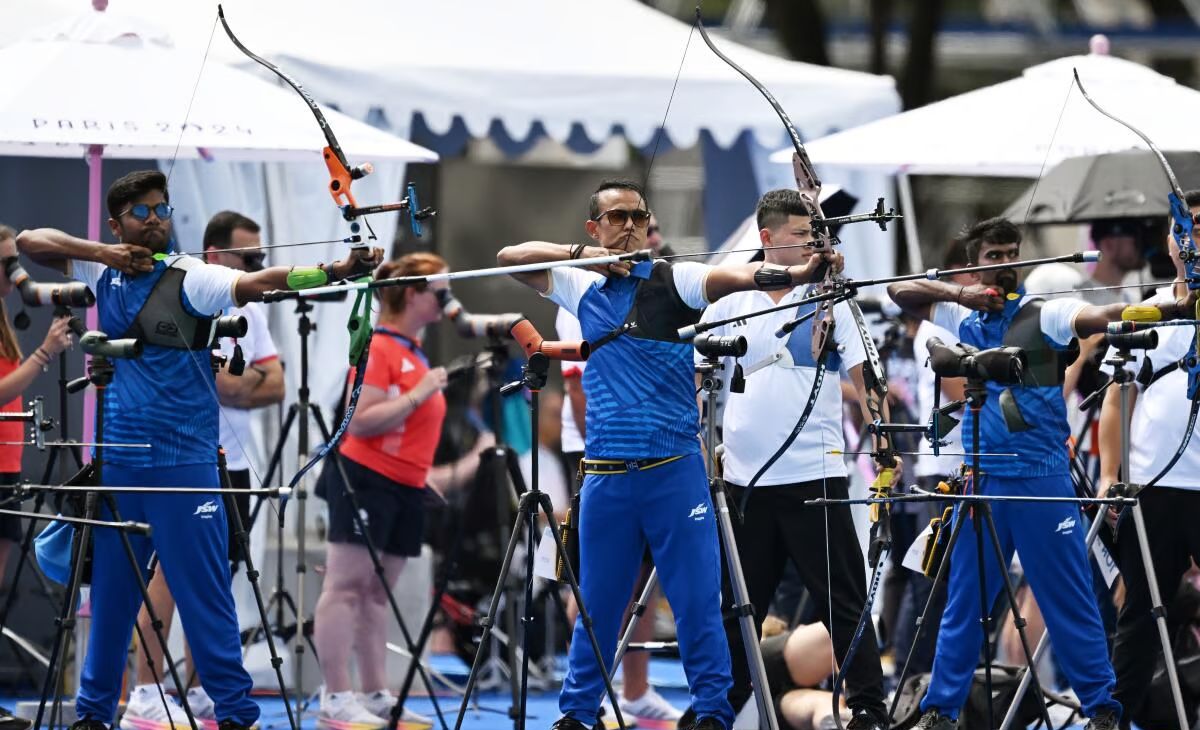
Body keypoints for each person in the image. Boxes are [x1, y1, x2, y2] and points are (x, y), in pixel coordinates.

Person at [16, 169, 382, 730]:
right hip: (119, 466)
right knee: (111, 600)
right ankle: (94, 715)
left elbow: (265, 283)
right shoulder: (102, 269)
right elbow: (28, 242)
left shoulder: (192, 276)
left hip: (184, 467)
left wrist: (336, 269)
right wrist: (106, 254)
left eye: (163, 208)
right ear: (118, 224)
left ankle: (237, 715)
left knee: (204, 598)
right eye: (143, 212)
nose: (158, 219)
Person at [497, 179, 839, 730]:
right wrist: (586, 257)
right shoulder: (578, 286)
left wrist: (799, 274)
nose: (630, 225)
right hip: (608, 476)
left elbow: (737, 276)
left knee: (697, 603)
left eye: (638, 216)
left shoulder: (674, 278)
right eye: (617, 217)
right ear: (596, 228)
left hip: (673, 474)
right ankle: (577, 715)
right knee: (599, 608)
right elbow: (509, 258)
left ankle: (710, 713)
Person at [886, 216, 1195, 730]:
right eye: (993, 257)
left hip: (1042, 480)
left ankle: (1101, 709)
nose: (1006, 265)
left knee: (1068, 599)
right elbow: (901, 292)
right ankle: (941, 709)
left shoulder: (1044, 312)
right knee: (965, 600)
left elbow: (1106, 313)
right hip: (981, 480)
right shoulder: (955, 315)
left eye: (1012, 253)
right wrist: (962, 295)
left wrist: (1175, 307)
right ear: (973, 264)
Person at [692, 189, 895, 730]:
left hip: (815, 477)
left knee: (844, 602)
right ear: (767, 240)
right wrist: (697, 445)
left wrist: (883, 437)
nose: (812, 244)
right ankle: (719, 706)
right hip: (745, 481)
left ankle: (870, 708)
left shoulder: (831, 300)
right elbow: (701, 379)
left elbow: (865, 374)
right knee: (738, 607)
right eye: (801, 236)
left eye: (815, 235)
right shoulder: (731, 299)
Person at [122, 210, 286, 729]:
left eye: (261, 258)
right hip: (185, 459)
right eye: (249, 258)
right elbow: (226, 384)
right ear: (216, 256)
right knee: (170, 576)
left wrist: (241, 383)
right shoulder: (185, 294)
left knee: (213, 580)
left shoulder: (250, 308)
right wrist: (242, 383)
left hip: (232, 466)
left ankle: (199, 692)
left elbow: (275, 382)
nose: (257, 265)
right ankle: (146, 691)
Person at [312, 253, 450, 730]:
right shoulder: (382, 348)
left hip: (405, 485)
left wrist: (419, 471)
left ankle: (374, 694)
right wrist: (421, 392)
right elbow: (363, 421)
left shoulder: (413, 350)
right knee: (346, 588)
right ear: (413, 294)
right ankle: (335, 697)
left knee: (375, 595)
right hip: (365, 480)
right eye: (440, 291)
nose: (446, 300)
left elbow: (405, 429)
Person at [1097, 190, 1200, 730]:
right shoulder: (1146, 309)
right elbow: (1116, 396)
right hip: (1155, 488)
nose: (1194, 238)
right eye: (1186, 227)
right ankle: (1115, 718)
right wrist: (1112, 476)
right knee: (1138, 613)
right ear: (1170, 239)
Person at [556, 298, 683, 728]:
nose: (643, 237)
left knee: (642, 579)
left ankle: (635, 690)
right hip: (597, 458)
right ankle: (589, 692)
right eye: (626, 224)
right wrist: (601, 456)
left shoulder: (646, 296)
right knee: (598, 584)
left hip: (645, 457)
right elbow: (576, 389)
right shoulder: (579, 301)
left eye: (649, 228)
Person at [0, 225, 73, 730]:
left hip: (6, 467)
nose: (13, 273)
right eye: (5, 263)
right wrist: (45, 353)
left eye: (13, 261)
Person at [1078, 219, 1147, 306]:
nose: (1141, 248)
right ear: (1108, 245)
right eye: (1135, 241)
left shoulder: (1133, 299)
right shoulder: (1079, 301)